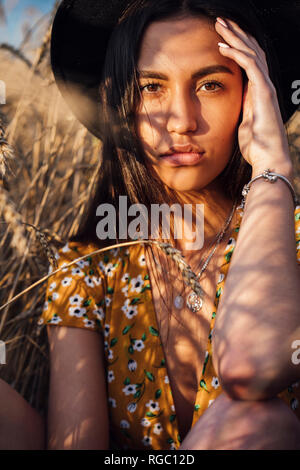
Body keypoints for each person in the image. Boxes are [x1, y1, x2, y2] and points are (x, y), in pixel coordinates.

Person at [1, 0, 300, 450]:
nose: (181, 121)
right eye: (150, 88)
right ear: (118, 103)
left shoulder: (290, 240)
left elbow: (253, 365)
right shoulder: (87, 268)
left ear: (256, 94)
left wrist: (272, 170)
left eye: (211, 84)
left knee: (257, 422)